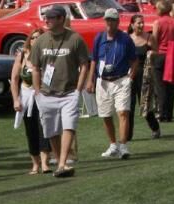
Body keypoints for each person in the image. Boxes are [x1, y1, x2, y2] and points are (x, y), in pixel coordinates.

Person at [30, 4, 89, 178]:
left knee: (69, 126)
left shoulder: (75, 38)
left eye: (51, 17)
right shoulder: (40, 41)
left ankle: (62, 163)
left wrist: (79, 89)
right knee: (51, 132)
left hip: (69, 92)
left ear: (61, 19)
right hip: (46, 94)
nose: (46, 20)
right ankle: (59, 162)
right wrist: (37, 92)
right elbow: (35, 67)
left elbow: (84, 64)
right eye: (45, 17)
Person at [90, 8, 137, 159]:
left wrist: (131, 76)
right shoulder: (99, 38)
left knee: (123, 112)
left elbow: (135, 60)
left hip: (121, 79)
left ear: (118, 22)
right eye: (107, 20)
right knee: (105, 114)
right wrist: (90, 80)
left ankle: (123, 145)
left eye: (112, 20)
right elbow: (94, 60)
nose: (109, 23)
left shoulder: (125, 39)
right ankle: (113, 144)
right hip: (103, 81)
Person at [10, 28, 51, 174]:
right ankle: (35, 163)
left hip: (43, 96)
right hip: (27, 97)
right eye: (33, 38)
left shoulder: (48, 55)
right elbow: (14, 79)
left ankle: (45, 163)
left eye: (39, 37)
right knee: (31, 130)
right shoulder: (22, 55)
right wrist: (16, 99)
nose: (35, 40)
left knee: (44, 128)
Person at [148, 0, 174, 123]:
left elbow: (155, 38)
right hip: (172, 56)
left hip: (160, 55)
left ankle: (162, 113)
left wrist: (154, 50)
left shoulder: (157, 22)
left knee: (160, 85)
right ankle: (169, 113)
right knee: (171, 85)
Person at [129, 14, 161, 138]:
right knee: (129, 106)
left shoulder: (149, 37)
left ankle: (155, 128)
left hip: (145, 75)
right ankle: (127, 134)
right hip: (131, 75)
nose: (141, 25)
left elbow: (157, 54)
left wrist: (153, 53)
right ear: (132, 25)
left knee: (145, 106)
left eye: (142, 22)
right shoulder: (128, 39)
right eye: (139, 23)